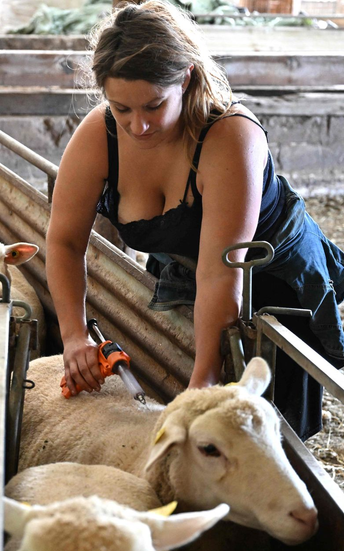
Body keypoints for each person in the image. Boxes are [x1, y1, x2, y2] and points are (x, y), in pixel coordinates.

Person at [47, 0, 344, 440]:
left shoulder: (229, 136)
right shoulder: (101, 134)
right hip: (184, 266)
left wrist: (203, 381)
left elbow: (220, 272)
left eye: (153, 106)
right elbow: (65, 241)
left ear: (185, 78)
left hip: (265, 279)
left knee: (263, 429)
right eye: (121, 108)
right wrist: (74, 337)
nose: (138, 126)